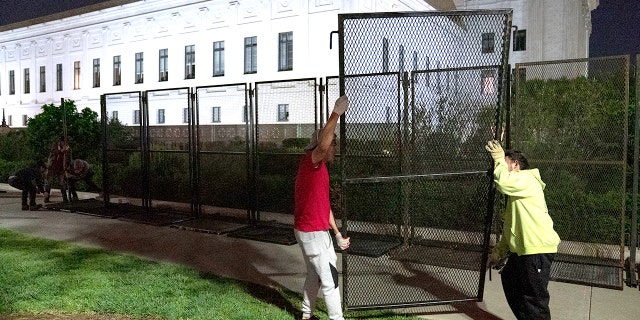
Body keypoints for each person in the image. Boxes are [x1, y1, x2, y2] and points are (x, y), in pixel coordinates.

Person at [485, 140, 561, 320]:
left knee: (534, 300)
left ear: (516, 165)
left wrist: (498, 157)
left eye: (505, 163)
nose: (500, 167)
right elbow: (509, 230)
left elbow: (503, 182)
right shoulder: (516, 195)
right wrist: (497, 253)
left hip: (537, 249)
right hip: (524, 251)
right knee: (510, 279)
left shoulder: (527, 179)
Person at [294, 95, 351, 320]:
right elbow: (324, 142)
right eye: (333, 144)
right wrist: (336, 113)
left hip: (313, 231)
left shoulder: (320, 168)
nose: (334, 147)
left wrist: (336, 234)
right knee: (330, 278)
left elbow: (324, 205)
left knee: (315, 275)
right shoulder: (311, 161)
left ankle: (306, 315)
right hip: (312, 232)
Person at [44, 137, 71, 203]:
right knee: (49, 182)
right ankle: (46, 197)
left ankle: (65, 199)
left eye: (65, 142)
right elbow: (54, 153)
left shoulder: (67, 149)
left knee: (62, 183)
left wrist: (67, 168)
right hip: (52, 167)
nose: (64, 144)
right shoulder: (55, 146)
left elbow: (68, 159)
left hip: (61, 168)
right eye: (63, 142)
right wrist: (62, 151)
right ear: (60, 142)